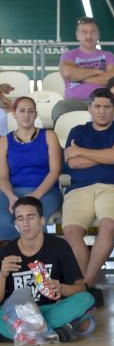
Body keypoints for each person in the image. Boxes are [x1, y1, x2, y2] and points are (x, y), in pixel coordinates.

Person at [62, 88, 114, 303]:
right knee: (71, 231)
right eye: (97, 106)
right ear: (89, 108)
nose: (102, 111)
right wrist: (110, 158)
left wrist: (82, 151)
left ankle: (85, 283)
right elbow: (72, 163)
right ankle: (90, 288)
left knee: (109, 226)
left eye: (106, 107)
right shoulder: (77, 131)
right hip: (79, 189)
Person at [0, 196, 95, 342]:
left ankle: (25, 333)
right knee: (84, 323)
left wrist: (62, 288)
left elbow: (81, 287)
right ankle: (54, 330)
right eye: (20, 218)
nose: (25, 224)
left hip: (50, 310)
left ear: (42, 220)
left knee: (86, 299)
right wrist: (2, 275)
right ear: (15, 224)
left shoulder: (59, 246)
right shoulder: (6, 252)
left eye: (30, 217)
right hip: (19, 314)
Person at [0, 97, 62, 240]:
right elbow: (2, 177)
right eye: (22, 111)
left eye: (30, 111)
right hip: (12, 191)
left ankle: (35, 260)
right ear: (14, 114)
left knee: (31, 223)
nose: (26, 115)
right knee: (2, 222)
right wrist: (11, 197)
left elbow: (55, 171)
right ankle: (9, 259)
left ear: (35, 114)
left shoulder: (49, 136)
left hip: (45, 191)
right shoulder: (4, 141)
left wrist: (35, 195)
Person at [54, 17, 114, 121]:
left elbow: (113, 79)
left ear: (98, 35)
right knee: (60, 107)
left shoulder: (109, 55)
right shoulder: (68, 55)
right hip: (75, 102)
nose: (89, 36)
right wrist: (98, 72)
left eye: (93, 32)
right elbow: (67, 72)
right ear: (77, 35)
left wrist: (79, 76)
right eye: (84, 32)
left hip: (103, 101)